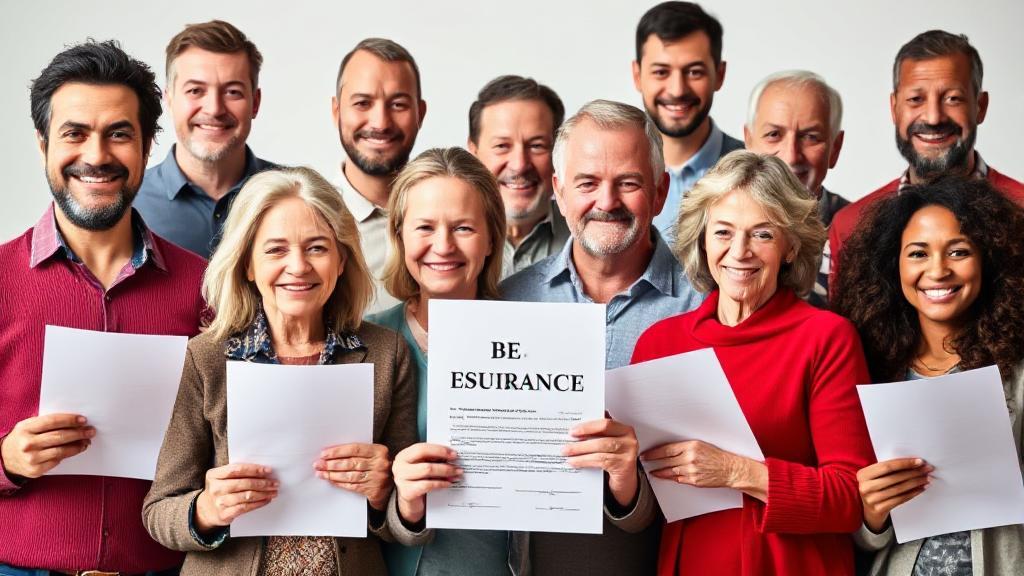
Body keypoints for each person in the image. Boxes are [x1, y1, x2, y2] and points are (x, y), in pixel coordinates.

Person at [142, 167, 422, 575]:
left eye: (317, 248)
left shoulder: (385, 353)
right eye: (275, 250)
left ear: (341, 259)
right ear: (248, 265)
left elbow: (401, 519)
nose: (298, 267)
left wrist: (383, 494)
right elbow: (158, 512)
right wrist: (205, 509)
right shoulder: (206, 359)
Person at [0, 40, 207, 574]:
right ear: (43, 142)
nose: (96, 156)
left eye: (119, 133)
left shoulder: (206, 289)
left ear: (147, 145)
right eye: (74, 133)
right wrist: (5, 460)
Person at [630, 150, 874, 575]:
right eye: (723, 232)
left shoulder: (826, 339)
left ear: (791, 246)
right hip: (690, 561)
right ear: (703, 239)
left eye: (762, 234)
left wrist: (735, 471)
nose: (739, 251)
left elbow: (851, 496)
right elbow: (644, 495)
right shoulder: (659, 343)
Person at [501, 99, 703, 575]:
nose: (607, 202)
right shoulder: (509, 302)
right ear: (559, 191)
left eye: (628, 183)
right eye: (587, 183)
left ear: (659, 192)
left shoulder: (704, 308)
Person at [832, 177, 1024, 575]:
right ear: (894, 264)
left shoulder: (1017, 371)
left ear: (988, 259)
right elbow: (862, 534)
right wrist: (870, 514)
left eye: (958, 251)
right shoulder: (872, 372)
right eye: (918, 254)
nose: (938, 270)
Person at [363, 147, 510, 575]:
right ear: (400, 235)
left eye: (463, 227)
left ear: (490, 239)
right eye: (424, 227)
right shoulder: (363, 344)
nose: (442, 246)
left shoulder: (529, 342)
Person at [829, 30, 1024, 272]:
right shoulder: (850, 226)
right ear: (894, 109)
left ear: (980, 107)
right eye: (915, 99)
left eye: (953, 99)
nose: (933, 117)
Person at [135, 20, 276, 258]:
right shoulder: (131, 205)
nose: (214, 109)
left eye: (233, 92)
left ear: (256, 102)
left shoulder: (296, 195)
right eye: (195, 91)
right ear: (168, 100)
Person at [632, 1, 743, 239]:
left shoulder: (755, 171)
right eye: (661, 72)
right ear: (637, 75)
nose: (677, 90)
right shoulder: (613, 178)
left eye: (694, 72)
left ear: (719, 75)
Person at [332, 38, 427, 314]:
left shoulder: (449, 215)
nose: (381, 123)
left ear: (420, 113)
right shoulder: (311, 217)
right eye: (362, 103)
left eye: (398, 105)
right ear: (336, 111)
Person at [744, 70, 848, 306]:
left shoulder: (861, 233)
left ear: (835, 148)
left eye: (810, 137)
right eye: (774, 135)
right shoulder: (715, 229)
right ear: (748, 141)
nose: (790, 155)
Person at [467, 75, 570, 278]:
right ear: (474, 152)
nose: (520, 165)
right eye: (502, 146)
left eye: (536, 146)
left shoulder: (586, 237)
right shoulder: (443, 243)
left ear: (558, 152)